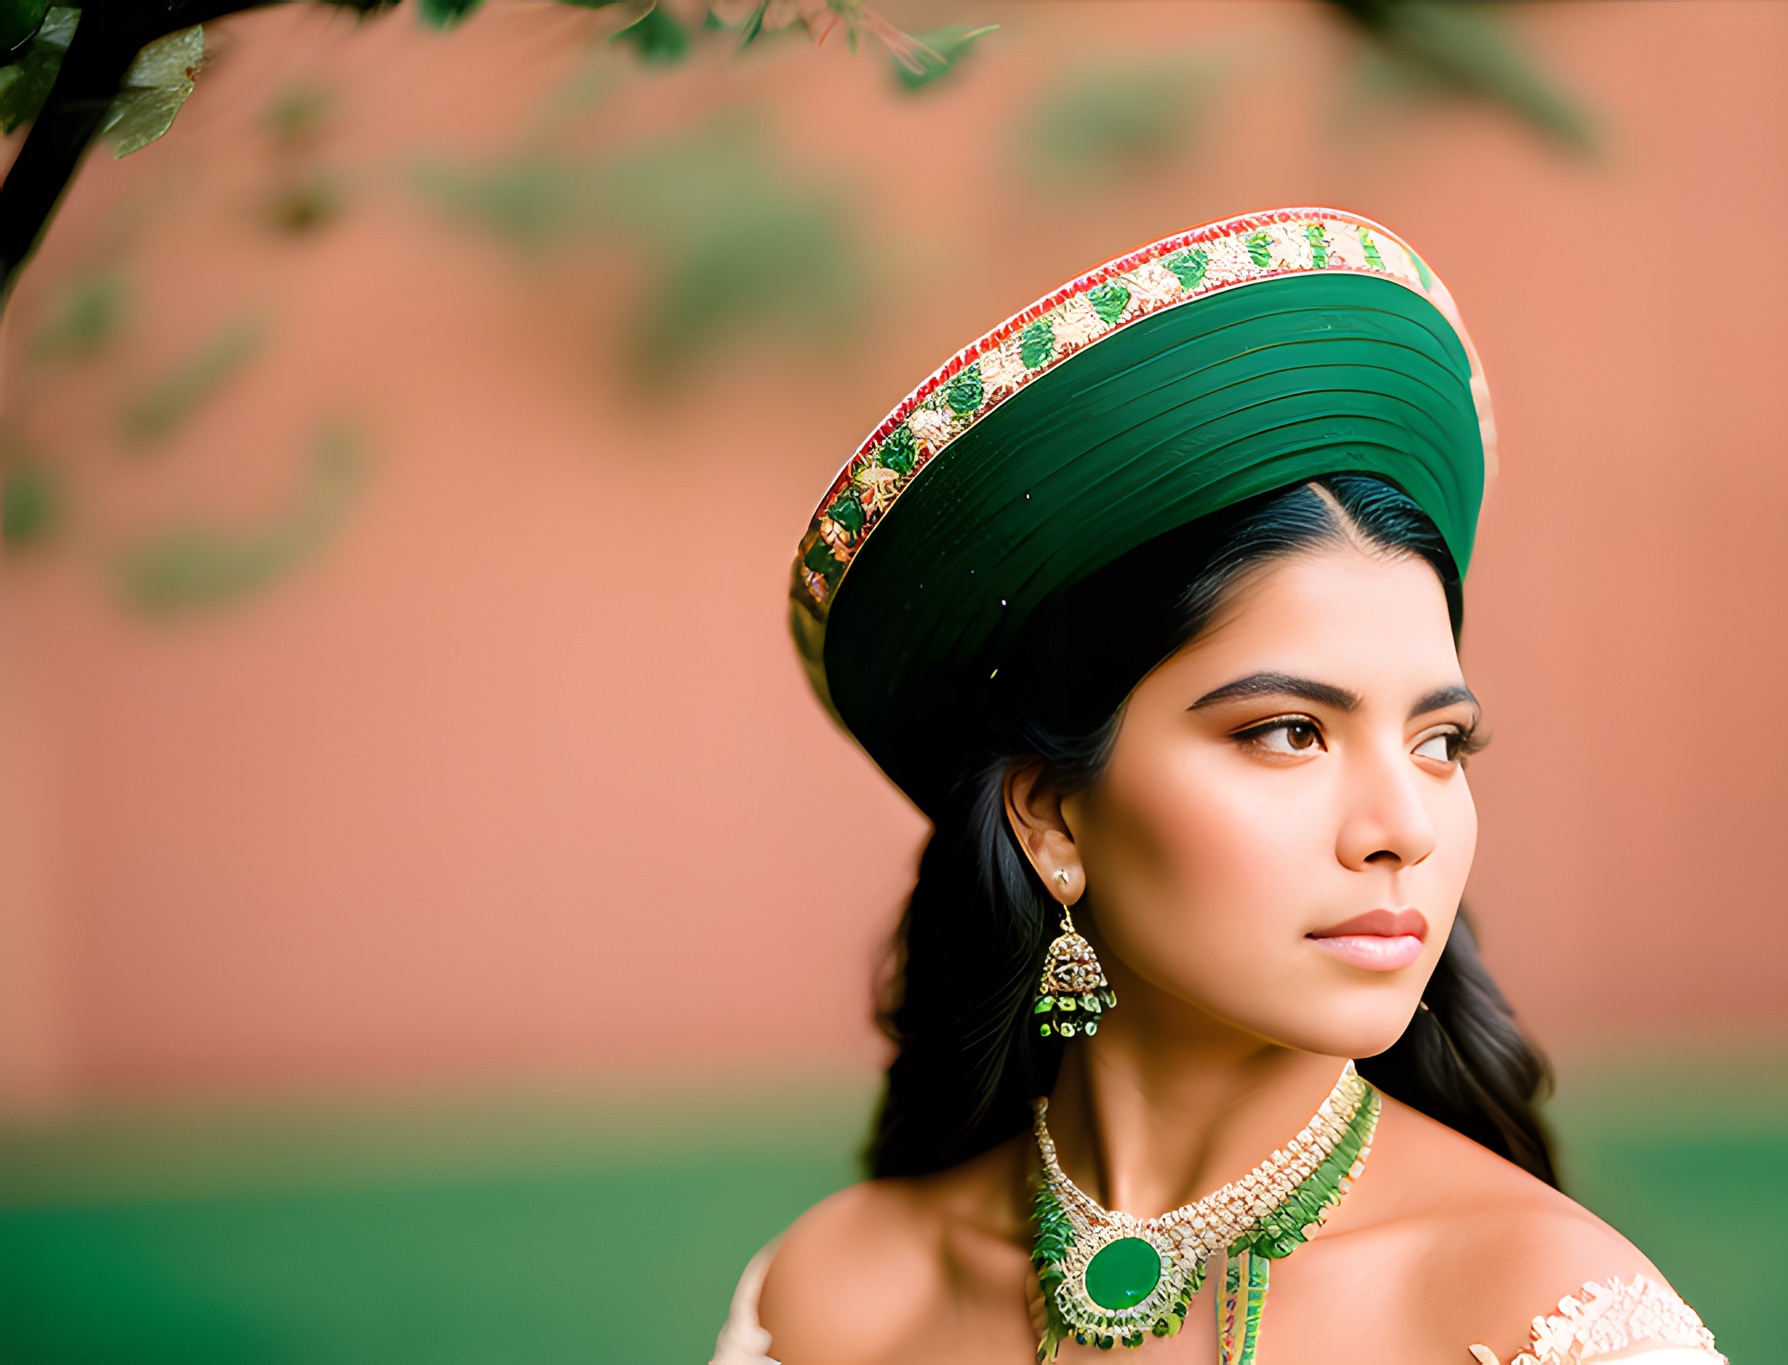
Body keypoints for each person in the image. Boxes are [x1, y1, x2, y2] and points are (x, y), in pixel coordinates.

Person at [716, 209, 1725, 1365]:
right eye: (1290, 732)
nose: (1401, 827)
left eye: (1438, 743)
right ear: (1050, 815)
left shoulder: (1548, 1315)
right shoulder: (831, 1297)